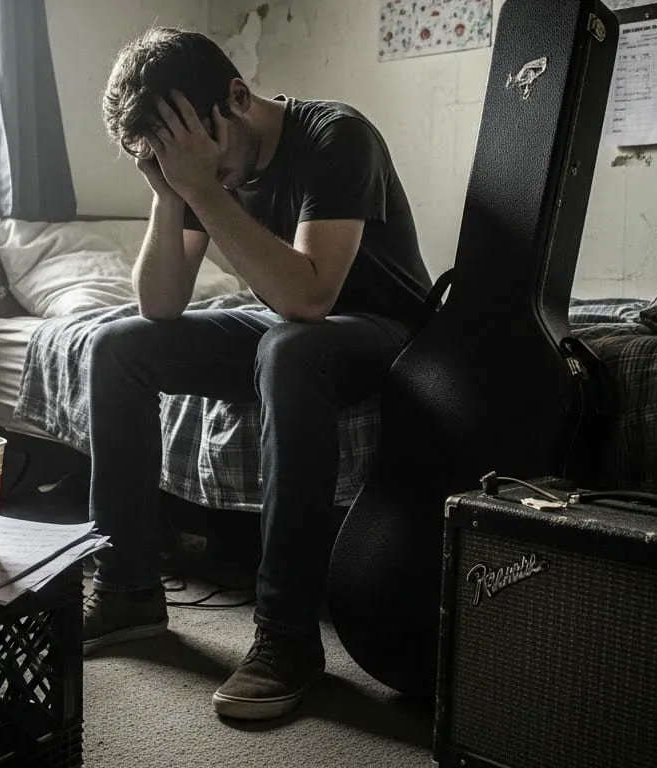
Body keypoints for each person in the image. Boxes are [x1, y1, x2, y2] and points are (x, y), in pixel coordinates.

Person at [86, 27, 432, 720]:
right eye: (165, 160)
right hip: (288, 324)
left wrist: (201, 188)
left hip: (388, 333)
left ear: (238, 98)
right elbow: (160, 303)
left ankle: (287, 636)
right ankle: (127, 589)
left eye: (200, 160)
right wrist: (170, 193)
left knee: (289, 348)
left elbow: (309, 296)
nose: (204, 176)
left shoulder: (337, 137)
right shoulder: (195, 162)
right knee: (117, 346)